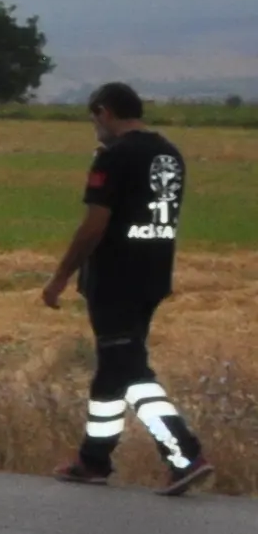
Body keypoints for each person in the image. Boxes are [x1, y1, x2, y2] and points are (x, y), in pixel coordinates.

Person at [42, 82, 211, 493]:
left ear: (104, 112)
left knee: (130, 370)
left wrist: (61, 276)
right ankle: (93, 460)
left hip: (116, 276)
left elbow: (94, 225)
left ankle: (184, 454)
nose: (95, 128)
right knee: (113, 370)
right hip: (153, 275)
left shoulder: (114, 157)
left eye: (94, 119)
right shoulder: (169, 154)